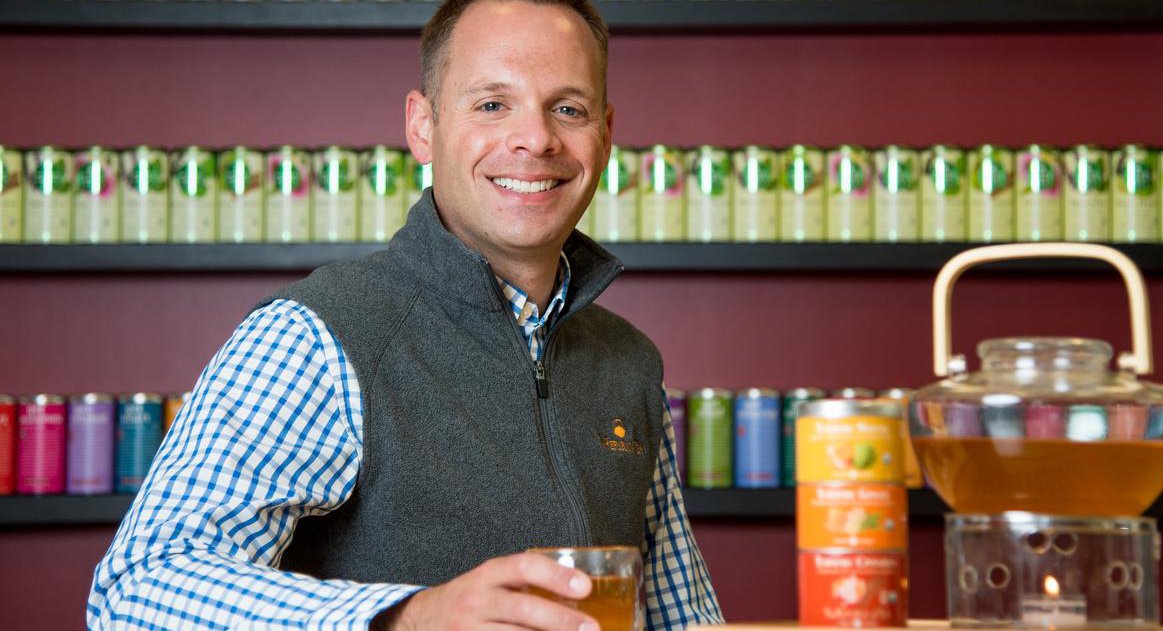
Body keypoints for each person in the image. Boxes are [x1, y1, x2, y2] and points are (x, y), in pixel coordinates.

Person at [87, 0, 724, 628]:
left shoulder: (628, 360)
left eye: (568, 109)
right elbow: (140, 588)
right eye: (492, 104)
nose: (536, 138)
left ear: (605, 134)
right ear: (423, 127)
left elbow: (680, 612)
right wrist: (408, 617)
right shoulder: (317, 334)